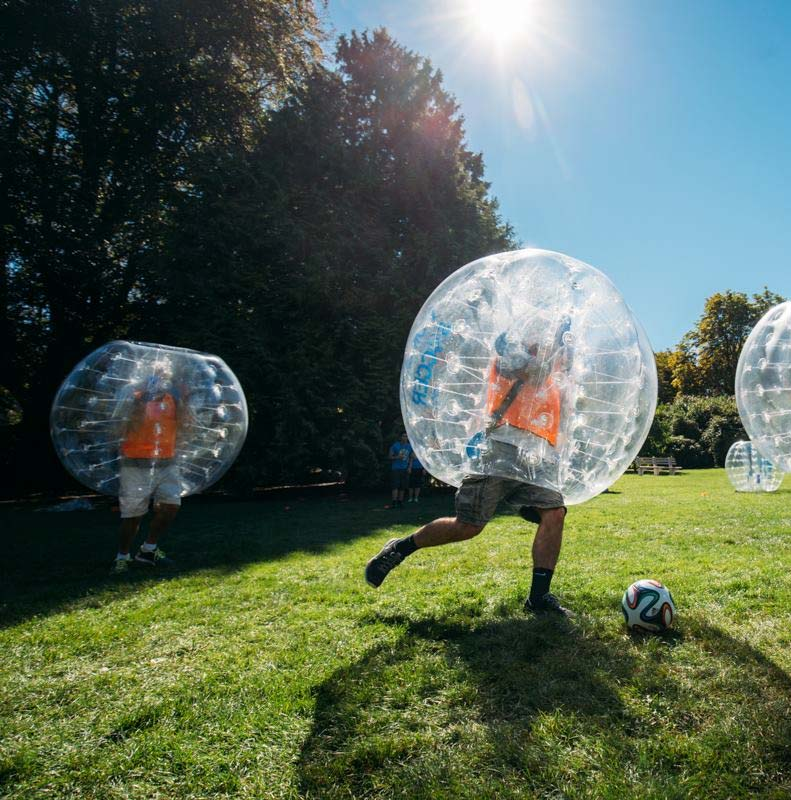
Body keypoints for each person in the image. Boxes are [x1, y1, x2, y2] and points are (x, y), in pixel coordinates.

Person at [366, 321, 572, 617]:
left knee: (555, 513)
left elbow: (558, 398)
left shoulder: (555, 355)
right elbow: (534, 376)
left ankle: (538, 598)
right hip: (499, 447)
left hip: (536, 452)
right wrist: (556, 344)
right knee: (468, 526)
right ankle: (400, 548)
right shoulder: (508, 346)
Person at [110, 360, 189, 574]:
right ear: (143, 376)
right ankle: (123, 556)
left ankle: (148, 549)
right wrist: (140, 401)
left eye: (162, 375)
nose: (157, 379)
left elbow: (186, 426)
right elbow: (118, 427)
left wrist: (185, 399)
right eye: (153, 374)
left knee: (171, 506)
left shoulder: (173, 399)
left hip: (167, 462)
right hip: (134, 462)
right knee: (132, 515)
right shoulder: (132, 397)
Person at [388, 432, 412, 508]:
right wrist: (397, 457)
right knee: (395, 486)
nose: (405, 438)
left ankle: (400, 502)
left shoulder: (409, 446)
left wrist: (409, 467)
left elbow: (411, 457)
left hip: (404, 469)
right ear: (400, 437)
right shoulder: (395, 445)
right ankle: (394, 502)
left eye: (406, 436)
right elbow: (389, 457)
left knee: (402, 487)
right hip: (396, 468)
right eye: (404, 436)